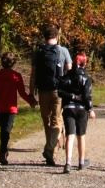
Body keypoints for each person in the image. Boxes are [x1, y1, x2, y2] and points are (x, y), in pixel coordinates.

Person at [28, 23, 72, 166]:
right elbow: (70, 72)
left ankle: (50, 152)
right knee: (57, 121)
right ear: (57, 36)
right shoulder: (63, 51)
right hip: (58, 91)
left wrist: (31, 92)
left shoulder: (38, 51)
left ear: (44, 37)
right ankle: (49, 149)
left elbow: (33, 74)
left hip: (42, 90)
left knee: (47, 122)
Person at [0, 52, 37, 165]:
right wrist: (31, 101)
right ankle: (3, 152)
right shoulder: (16, 76)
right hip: (11, 109)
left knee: (4, 130)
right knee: (6, 130)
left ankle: (3, 151)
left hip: (1, 108)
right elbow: (22, 93)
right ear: (13, 63)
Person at [58, 49, 96, 174]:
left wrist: (71, 97)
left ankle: (68, 163)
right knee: (81, 136)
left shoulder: (66, 76)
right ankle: (81, 162)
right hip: (81, 110)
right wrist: (90, 109)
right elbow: (87, 95)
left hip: (68, 108)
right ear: (85, 63)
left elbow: (59, 91)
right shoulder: (87, 78)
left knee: (70, 135)